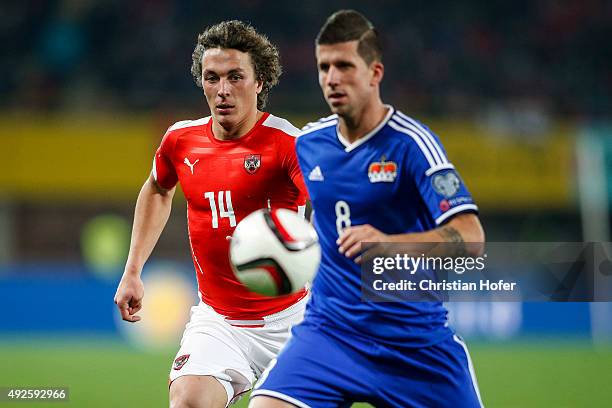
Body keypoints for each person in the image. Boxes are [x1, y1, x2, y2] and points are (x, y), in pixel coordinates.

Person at [250, 10, 485, 408]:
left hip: (413, 346)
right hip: (330, 335)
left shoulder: (412, 145)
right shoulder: (309, 144)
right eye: (324, 67)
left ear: (375, 72)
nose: (331, 78)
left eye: (344, 66)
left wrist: (390, 244)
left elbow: (471, 237)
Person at [113, 20, 309, 408]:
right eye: (211, 77)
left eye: (236, 76)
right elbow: (157, 188)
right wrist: (132, 269)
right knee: (187, 400)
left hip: (294, 323)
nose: (222, 90)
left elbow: (334, 202)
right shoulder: (180, 141)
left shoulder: (290, 144)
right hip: (219, 321)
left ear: (260, 82)